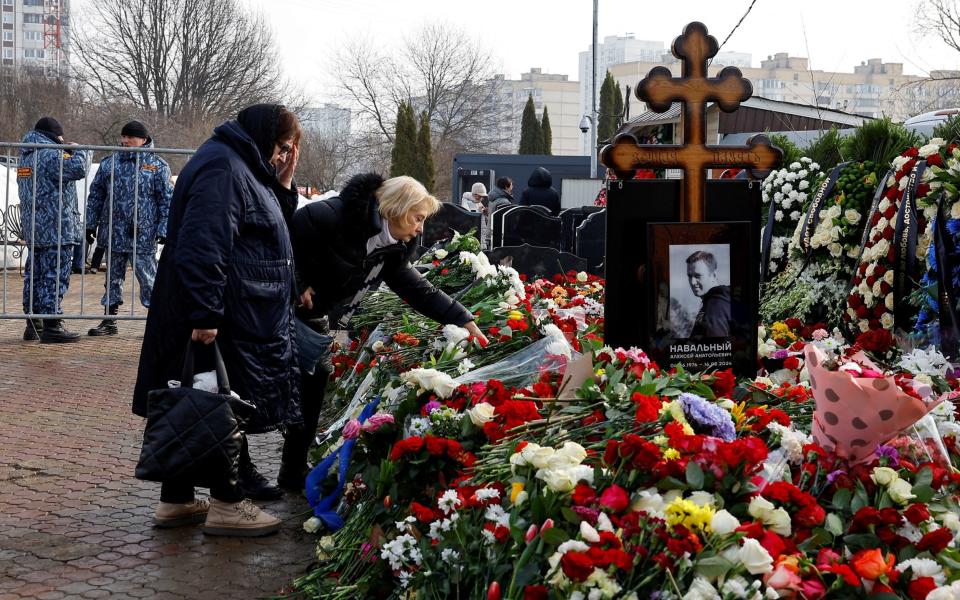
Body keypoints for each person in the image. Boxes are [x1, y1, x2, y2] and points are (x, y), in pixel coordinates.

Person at [132, 104, 302, 537]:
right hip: (217, 312)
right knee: (216, 404)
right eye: (282, 147)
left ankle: (178, 499)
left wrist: (282, 184)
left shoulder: (237, 164)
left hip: (223, 308)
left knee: (195, 397)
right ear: (264, 137)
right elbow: (204, 242)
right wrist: (206, 311)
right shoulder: (225, 167)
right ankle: (226, 503)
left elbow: (263, 226)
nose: (284, 156)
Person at [278, 173, 489, 490]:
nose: (420, 228)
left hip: (312, 314)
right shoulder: (334, 214)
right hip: (277, 308)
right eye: (417, 218)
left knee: (314, 382)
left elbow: (418, 289)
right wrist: (299, 279)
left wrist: (463, 318)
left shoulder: (393, 247)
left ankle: (292, 471)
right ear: (398, 208)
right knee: (261, 386)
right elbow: (286, 238)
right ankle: (237, 476)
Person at [85, 120, 173, 336]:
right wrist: (90, 223)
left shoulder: (157, 165)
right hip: (113, 233)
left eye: (130, 137)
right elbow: (96, 195)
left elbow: (166, 200)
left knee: (149, 280)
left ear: (143, 140)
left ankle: (159, 324)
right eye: (123, 137)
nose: (124, 141)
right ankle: (109, 321)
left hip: (142, 234)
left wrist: (163, 229)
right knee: (112, 279)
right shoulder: (109, 163)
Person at [17, 116, 90, 343]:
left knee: (35, 275)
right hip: (56, 228)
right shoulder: (50, 154)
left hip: (36, 228)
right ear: (55, 136)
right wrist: (81, 150)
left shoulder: (26, 157)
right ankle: (52, 325)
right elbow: (78, 169)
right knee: (54, 276)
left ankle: (34, 323)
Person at [686, 250, 731, 338]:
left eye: (698, 276)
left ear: (713, 275)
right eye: (690, 276)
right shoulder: (713, 301)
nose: (692, 282)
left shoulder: (715, 306)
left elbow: (716, 347)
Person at [482, 176, 514, 249]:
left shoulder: (493, 198)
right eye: (511, 185)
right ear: (506, 187)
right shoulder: (504, 201)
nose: (512, 187)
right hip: (497, 237)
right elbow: (505, 222)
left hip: (489, 232)